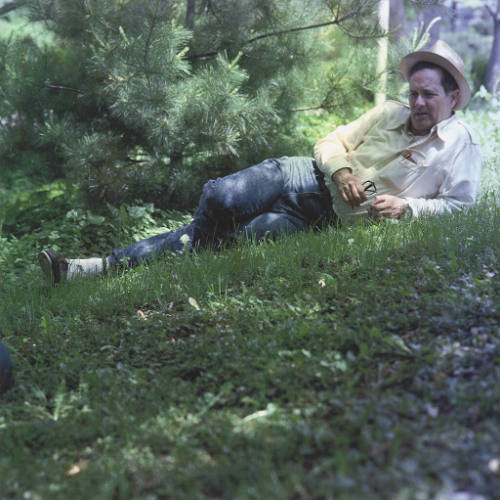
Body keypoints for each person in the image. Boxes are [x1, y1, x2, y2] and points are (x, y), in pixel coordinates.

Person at [39, 40, 482, 283]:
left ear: (454, 96)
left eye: (429, 95)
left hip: (324, 218)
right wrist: (343, 170)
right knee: (219, 196)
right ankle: (143, 260)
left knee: (232, 239)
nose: (418, 102)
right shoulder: (389, 113)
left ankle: (94, 268)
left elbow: (461, 207)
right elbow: (329, 140)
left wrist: (408, 207)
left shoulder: (459, 147)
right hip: (303, 172)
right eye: (414, 92)